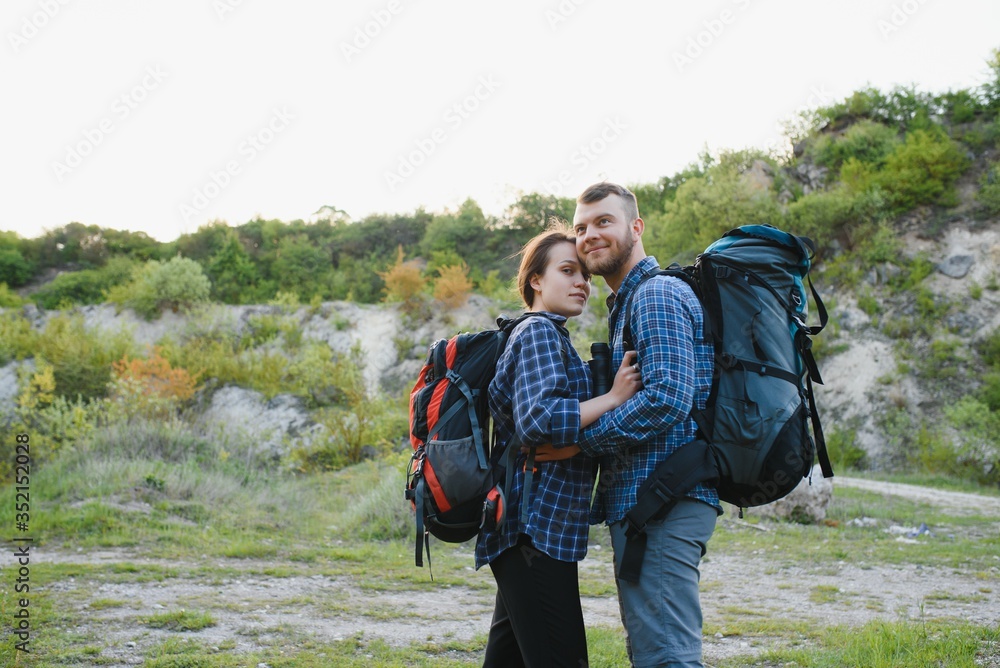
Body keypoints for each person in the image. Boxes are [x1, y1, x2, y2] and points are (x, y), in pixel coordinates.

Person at [539, 182, 721, 667]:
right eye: (580, 228)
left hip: (664, 498)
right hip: (649, 502)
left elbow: (668, 398)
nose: (588, 236)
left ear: (635, 228)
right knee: (654, 651)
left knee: (667, 657)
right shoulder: (626, 306)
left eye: (603, 222)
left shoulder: (655, 295)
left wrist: (583, 443)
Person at [475, 226, 642, 668]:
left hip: (527, 527)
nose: (581, 283)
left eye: (584, 275)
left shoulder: (548, 336)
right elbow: (538, 422)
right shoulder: (538, 333)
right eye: (567, 271)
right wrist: (612, 398)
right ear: (535, 280)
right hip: (534, 527)